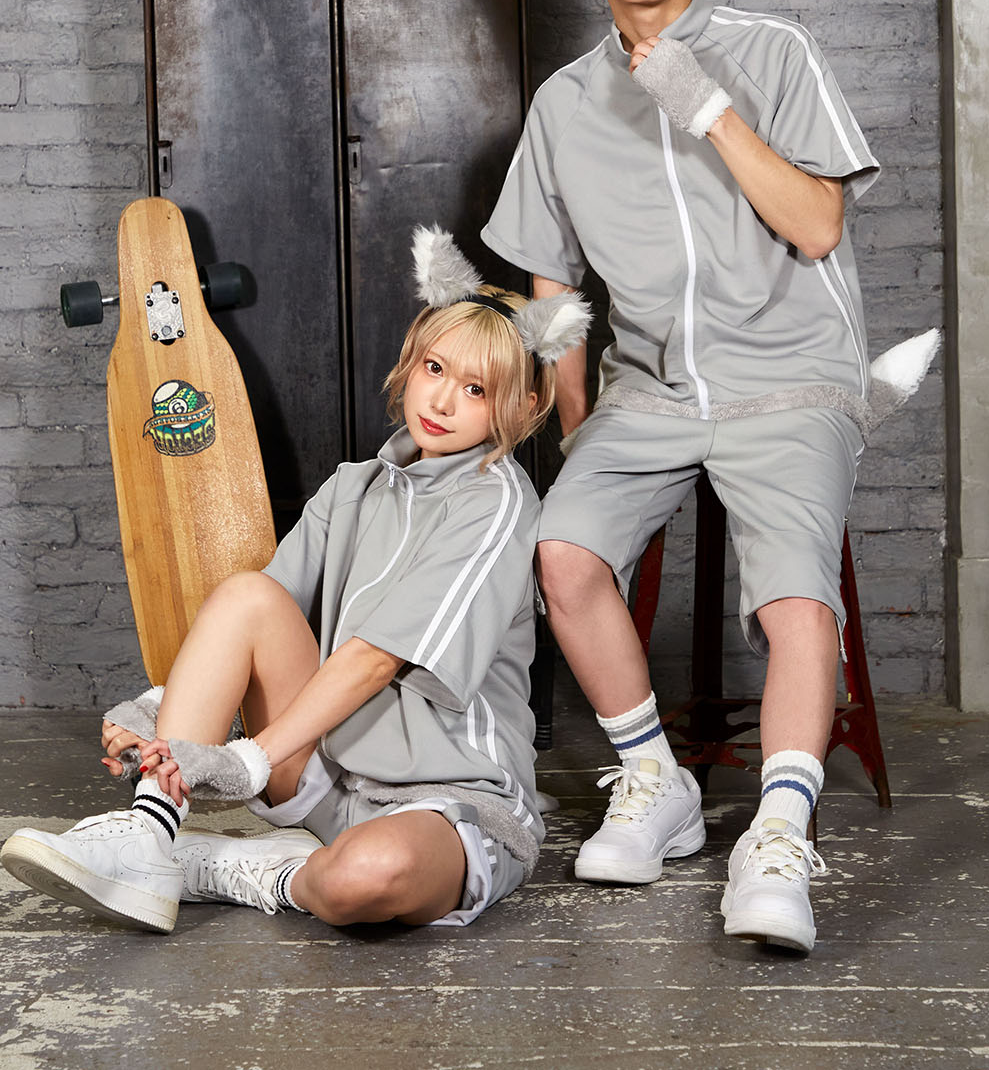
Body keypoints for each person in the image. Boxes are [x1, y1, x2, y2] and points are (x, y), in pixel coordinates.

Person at [480, 0, 884, 954]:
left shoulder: (772, 52)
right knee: (562, 553)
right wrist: (573, 425)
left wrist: (707, 109)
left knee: (793, 595)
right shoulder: (564, 103)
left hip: (791, 376)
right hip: (653, 392)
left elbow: (817, 225)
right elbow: (551, 286)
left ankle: (777, 837)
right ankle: (652, 781)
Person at [1, 227, 589, 935]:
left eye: (475, 389)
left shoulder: (497, 503)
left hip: (450, 799)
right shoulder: (353, 487)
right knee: (248, 592)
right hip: (327, 774)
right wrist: (154, 712)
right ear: (410, 362)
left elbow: (375, 660)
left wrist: (247, 759)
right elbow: (245, 623)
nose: (442, 400)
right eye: (435, 368)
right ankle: (152, 837)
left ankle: (249, 870)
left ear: (523, 407)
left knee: (362, 880)